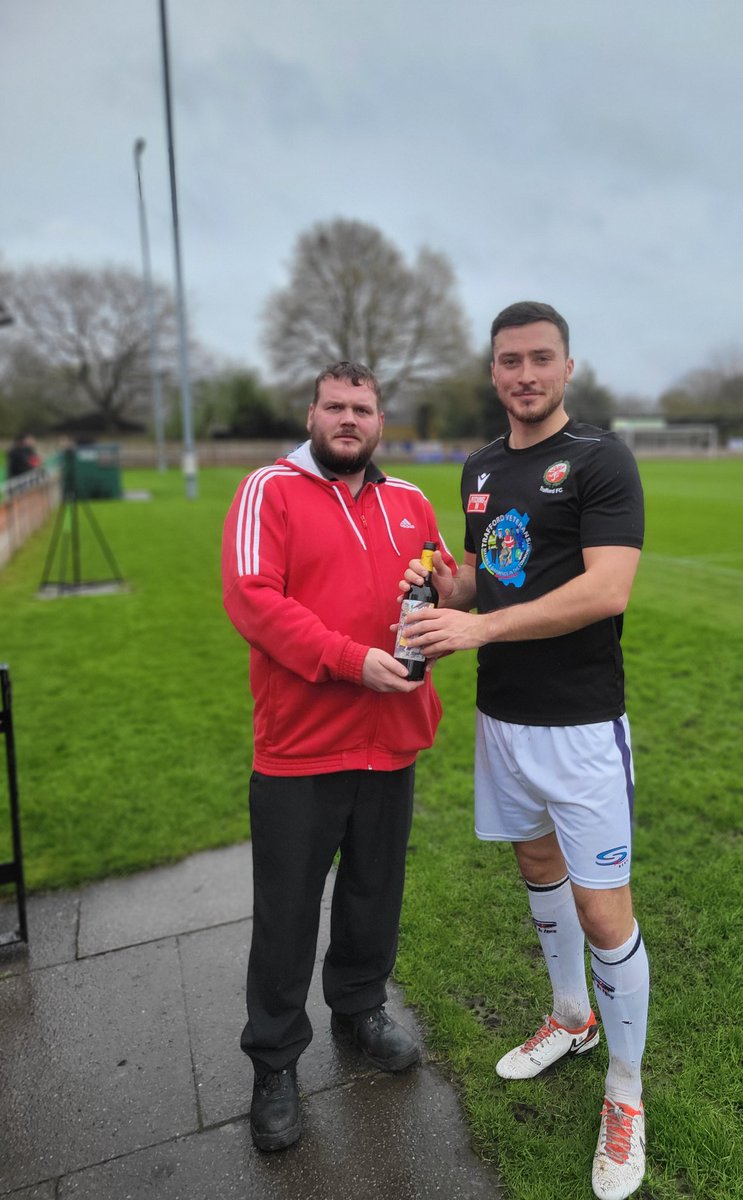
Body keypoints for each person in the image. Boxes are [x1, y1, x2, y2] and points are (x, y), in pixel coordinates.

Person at [402, 301, 649, 1200]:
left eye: (541, 358)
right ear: (493, 371)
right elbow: (487, 573)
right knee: (537, 871)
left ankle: (625, 1092)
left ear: (567, 367)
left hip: (581, 725)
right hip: (503, 719)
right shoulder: (479, 468)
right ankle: (571, 1018)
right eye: (510, 361)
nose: (525, 375)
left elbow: (607, 590)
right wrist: (447, 584)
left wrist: (482, 624)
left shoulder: (601, 459)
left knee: (602, 912)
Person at [221, 361, 455, 1153]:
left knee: (372, 894)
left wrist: (450, 602)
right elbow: (254, 600)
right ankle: (276, 1062)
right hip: (301, 746)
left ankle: (358, 1011)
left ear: (380, 420)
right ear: (312, 413)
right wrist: (351, 660)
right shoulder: (269, 489)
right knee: (286, 914)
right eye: (334, 407)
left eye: (362, 408)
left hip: (392, 740)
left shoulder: (411, 502)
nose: (347, 419)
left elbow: (441, 587)